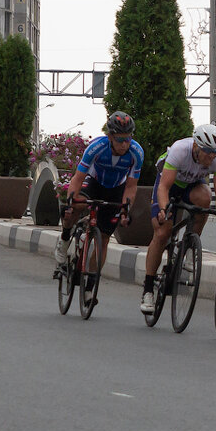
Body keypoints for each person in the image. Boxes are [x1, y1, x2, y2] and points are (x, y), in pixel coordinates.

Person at [53, 111, 143, 304]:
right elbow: (78, 178)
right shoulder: (97, 147)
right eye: (120, 139)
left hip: (116, 189)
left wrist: (126, 209)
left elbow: (131, 186)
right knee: (76, 206)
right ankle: (65, 239)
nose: (124, 144)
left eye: (128, 139)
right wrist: (70, 202)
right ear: (110, 136)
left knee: (103, 238)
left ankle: (89, 287)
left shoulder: (136, 153)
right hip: (92, 182)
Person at [140, 124, 216, 313]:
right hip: (169, 185)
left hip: (192, 186)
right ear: (196, 146)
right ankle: (148, 289)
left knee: (205, 197)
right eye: (207, 152)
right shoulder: (180, 150)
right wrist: (164, 210)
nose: (211, 157)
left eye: (215, 152)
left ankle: (189, 247)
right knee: (162, 232)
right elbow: (164, 188)